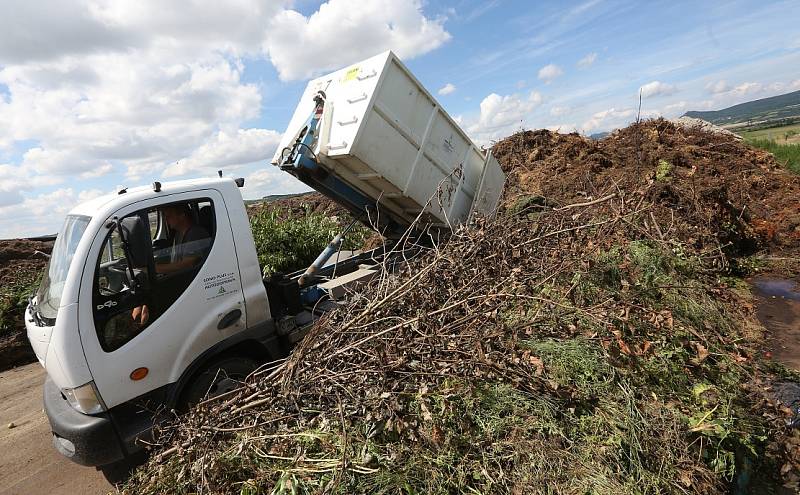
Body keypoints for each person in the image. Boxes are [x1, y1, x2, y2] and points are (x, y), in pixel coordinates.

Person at [131, 204, 210, 325]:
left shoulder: (195, 234)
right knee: (141, 298)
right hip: (180, 278)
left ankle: (142, 330)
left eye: (169, 216)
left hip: (191, 281)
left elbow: (186, 265)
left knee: (149, 302)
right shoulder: (179, 233)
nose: (166, 219)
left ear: (182, 216)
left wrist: (153, 269)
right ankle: (137, 326)